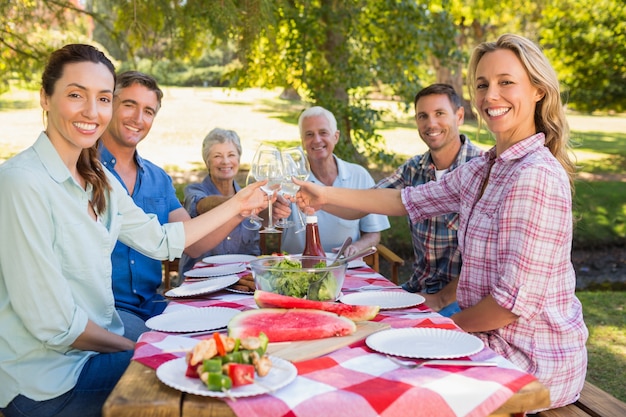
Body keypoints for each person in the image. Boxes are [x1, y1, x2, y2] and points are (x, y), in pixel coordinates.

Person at [295, 34, 588, 409]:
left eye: (506, 82)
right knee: (366, 361)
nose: (490, 96)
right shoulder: (485, 168)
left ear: (537, 90)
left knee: (386, 386)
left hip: (531, 361)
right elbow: (405, 199)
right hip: (486, 340)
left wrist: (438, 328)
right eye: (482, 85)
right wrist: (325, 194)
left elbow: (509, 305)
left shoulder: (534, 175)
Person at [0, 44, 267, 417]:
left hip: (91, 352)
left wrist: (240, 204)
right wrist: (143, 345)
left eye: (104, 98)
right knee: (206, 383)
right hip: (50, 380)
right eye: (76, 95)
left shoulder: (97, 178)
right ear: (45, 97)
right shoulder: (21, 183)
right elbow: (55, 325)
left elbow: (161, 241)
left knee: (220, 347)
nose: (92, 112)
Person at [99, 71, 247, 339]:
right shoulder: (85, 170)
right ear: (109, 104)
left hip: (154, 305)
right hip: (105, 312)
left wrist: (242, 209)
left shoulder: (158, 178)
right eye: (129, 105)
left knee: (227, 332)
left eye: (148, 111)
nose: (138, 118)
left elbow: (194, 243)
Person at [375, 84, 483, 316]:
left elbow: (486, 263)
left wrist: (440, 299)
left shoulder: (483, 169)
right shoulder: (414, 169)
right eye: (423, 116)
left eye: (439, 114)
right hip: (419, 288)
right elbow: (369, 200)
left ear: (459, 116)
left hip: (462, 299)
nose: (431, 123)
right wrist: (315, 195)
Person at [281, 106, 390, 257]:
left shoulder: (359, 175)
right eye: (309, 134)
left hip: (345, 266)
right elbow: (268, 219)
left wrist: (357, 247)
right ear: (302, 141)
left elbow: (373, 233)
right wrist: (272, 210)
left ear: (336, 136)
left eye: (323, 132)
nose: (317, 140)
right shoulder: (289, 178)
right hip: (296, 268)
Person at [179, 128, 262, 275]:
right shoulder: (194, 191)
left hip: (240, 280)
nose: (225, 161)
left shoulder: (249, 197)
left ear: (238, 159)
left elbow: (253, 252)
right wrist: (239, 202)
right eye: (218, 156)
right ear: (207, 161)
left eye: (231, 155)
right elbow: (202, 205)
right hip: (201, 282)